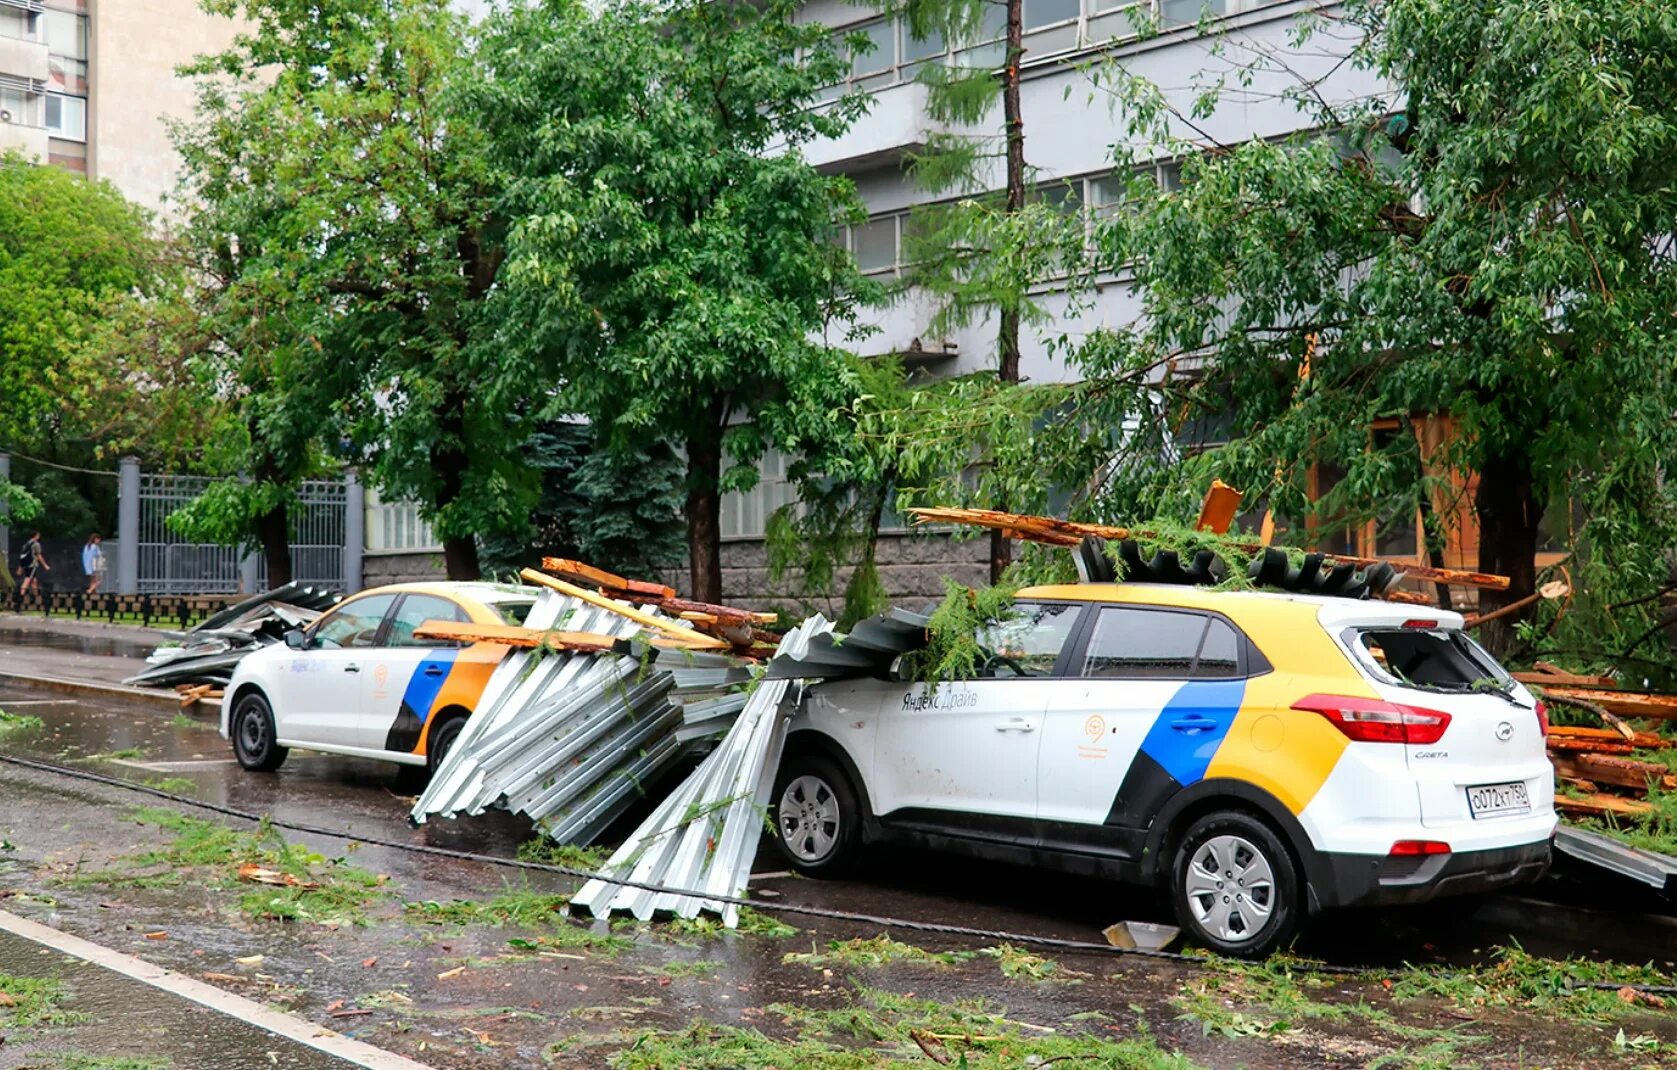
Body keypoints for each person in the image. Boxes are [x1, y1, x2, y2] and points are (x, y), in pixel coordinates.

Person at [18, 531, 47, 595]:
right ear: (35, 536)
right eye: (38, 535)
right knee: (27, 580)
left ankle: (35, 596)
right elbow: (39, 556)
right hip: (32, 564)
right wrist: (45, 565)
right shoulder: (36, 544)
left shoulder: (26, 544)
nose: (39, 537)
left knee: (34, 580)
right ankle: (21, 595)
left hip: (25, 564)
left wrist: (20, 567)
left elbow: (22, 556)